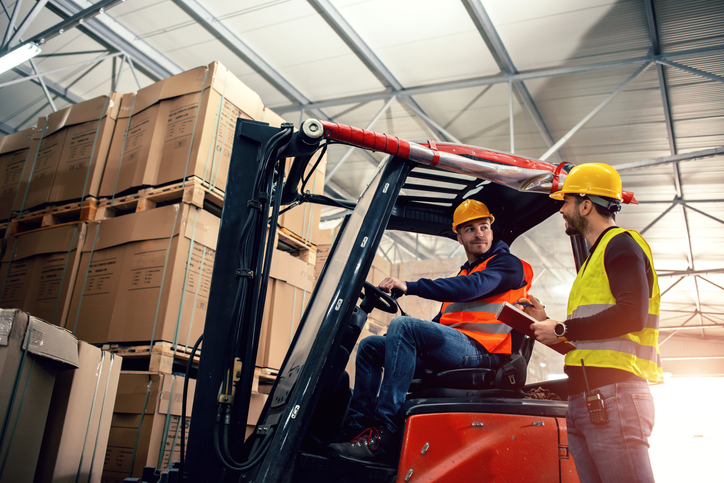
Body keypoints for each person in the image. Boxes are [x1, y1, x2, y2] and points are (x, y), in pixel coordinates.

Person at [327, 199, 533, 464]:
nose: (479, 233)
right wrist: (406, 335)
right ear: (459, 237)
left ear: (492, 231)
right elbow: (444, 319)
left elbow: (471, 287)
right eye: (470, 229)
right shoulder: (466, 271)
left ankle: (385, 432)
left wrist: (410, 287)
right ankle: (357, 427)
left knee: (403, 327)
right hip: (460, 348)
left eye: (484, 227)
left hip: (485, 352)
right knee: (370, 347)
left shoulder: (508, 266)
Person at [522, 163, 662, 483]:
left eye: (566, 201)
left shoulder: (622, 243)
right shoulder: (592, 261)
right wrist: (548, 324)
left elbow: (631, 315)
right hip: (586, 399)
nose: (561, 209)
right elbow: (593, 339)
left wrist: (562, 329)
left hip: (615, 396)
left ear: (586, 205)